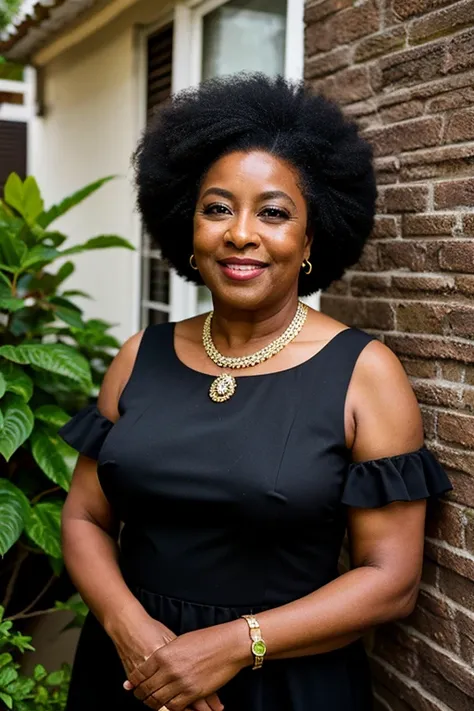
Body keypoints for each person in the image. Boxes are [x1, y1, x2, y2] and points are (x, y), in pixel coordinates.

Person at [59, 73, 452, 711]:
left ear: (311, 238)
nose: (241, 233)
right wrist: (129, 631)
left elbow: (390, 580)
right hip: (132, 670)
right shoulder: (140, 356)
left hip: (282, 683)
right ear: (186, 229)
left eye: (272, 212)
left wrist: (230, 646)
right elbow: (84, 517)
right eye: (217, 208)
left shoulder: (363, 372)